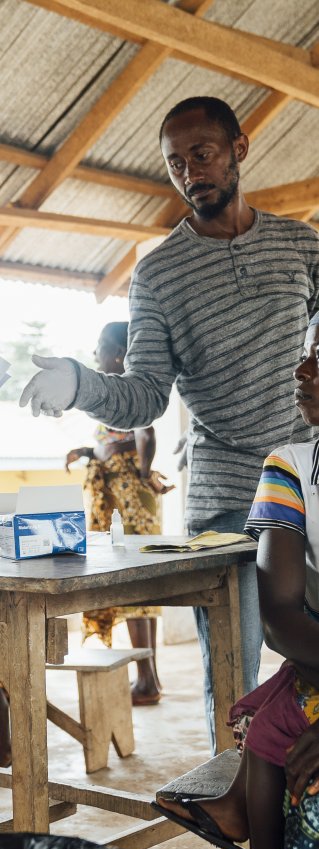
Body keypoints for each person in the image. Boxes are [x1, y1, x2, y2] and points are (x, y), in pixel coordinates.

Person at [19, 96, 319, 753]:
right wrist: (80, 383)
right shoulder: (157, 273)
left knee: (309, 653)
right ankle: (236, 830)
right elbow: (145, 396)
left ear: (237, 149)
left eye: (202, 155)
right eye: (175, 164)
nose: (189, 173)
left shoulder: (301, 246)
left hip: (304, 483)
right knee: (234, 673)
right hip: (223, 499)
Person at [157, 314, 319, 849]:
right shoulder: (294, 467)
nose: (302, 372)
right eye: (306, 355)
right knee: (277, 714)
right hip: (314, 660)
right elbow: (280, 613)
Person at [66, 321, 174, 706]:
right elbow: (116, 445)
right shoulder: (117, 399)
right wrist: (87, 452)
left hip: (130, 498)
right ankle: (148, 678)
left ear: (118, 355)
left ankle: (147, 680)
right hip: (124, 494)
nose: (94, 355)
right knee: (135, 586)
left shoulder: (132, 395)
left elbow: (146, 435)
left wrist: (144, 475)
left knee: (137, 585)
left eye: (100, 347)